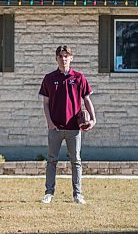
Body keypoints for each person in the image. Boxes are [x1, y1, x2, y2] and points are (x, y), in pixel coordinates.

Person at [38, 45, 96, 205]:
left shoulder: (79, 77)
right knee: (52, 160)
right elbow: (45, 103)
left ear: (71, 58)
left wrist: (93, 119)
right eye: (60, 56)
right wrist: (49, 122)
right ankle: (49, 193)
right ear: (56, 58)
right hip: (55, 128)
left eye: (66, 56)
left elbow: (87, 100)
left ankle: (78, 194)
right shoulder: (49, 78)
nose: (63, 59)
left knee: (76, 161)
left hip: (74, 128)